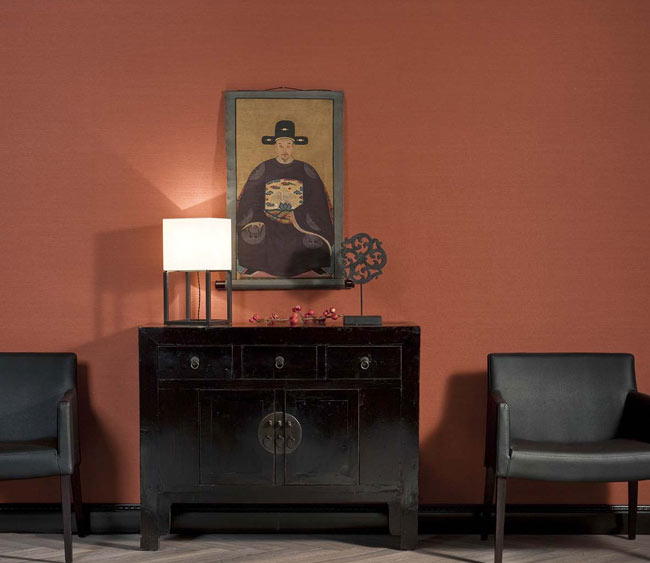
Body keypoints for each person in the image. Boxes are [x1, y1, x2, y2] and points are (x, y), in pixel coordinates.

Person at [236, 120, 335, 277]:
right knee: (253, 233)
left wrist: (297, 215)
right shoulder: (263, 169)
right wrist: (261, 216)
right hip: (267, 221)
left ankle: (313, 266)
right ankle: (255, 266)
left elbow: (318, 201)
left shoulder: (306, 170)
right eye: (281, 146)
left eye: (288, 145)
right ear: (275, 147)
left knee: (311, 240)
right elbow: (250, 199)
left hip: (299, 223)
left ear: (293, 147)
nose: (284, 150)